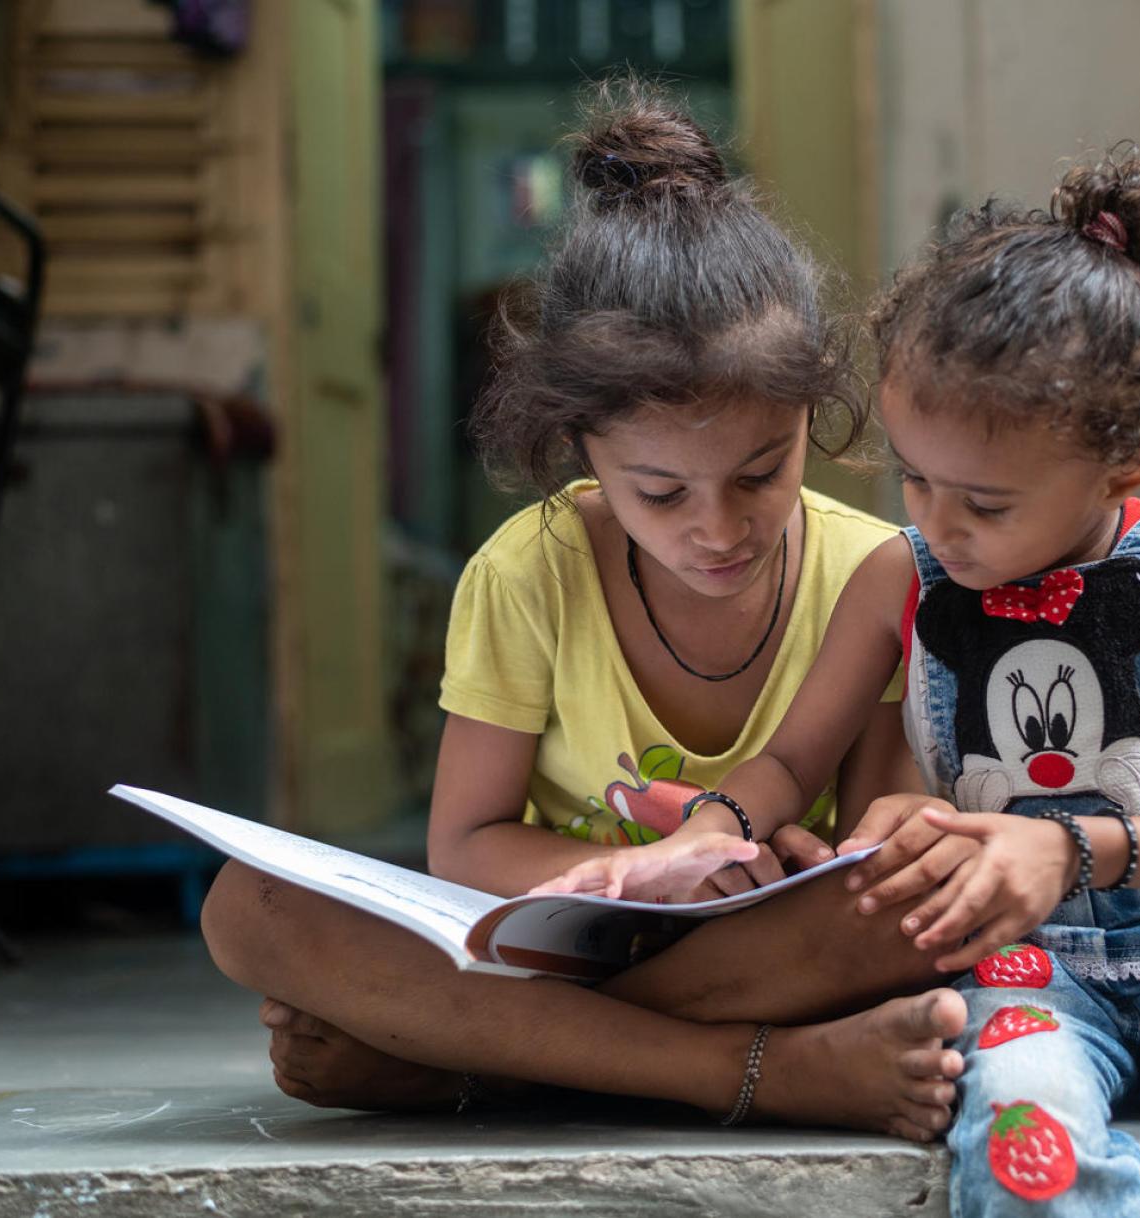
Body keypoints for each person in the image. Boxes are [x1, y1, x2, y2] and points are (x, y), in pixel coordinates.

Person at [537, 148, 1140, 1215]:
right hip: (1022, 969)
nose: (935, 523)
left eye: (982, 505)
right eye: (915, 479)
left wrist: (1067, 846)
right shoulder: (903, 575)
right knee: (1033, 1161)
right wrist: (709, 825)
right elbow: (794, 758)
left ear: (1126, 469)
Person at [199, 80, 966, 1141]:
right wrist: (640, 877)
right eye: (660, 493)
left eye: (761, 472)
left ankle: (476, 1061)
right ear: (582, 449)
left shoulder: (876, 572)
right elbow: (466, 845)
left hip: (764, 947)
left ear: (809, 418)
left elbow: (874, 850)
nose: (719, 529)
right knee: (250, 906)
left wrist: (816, 857)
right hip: (566, 943)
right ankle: (746, 1073)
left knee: (911, 917)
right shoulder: (529, 573)